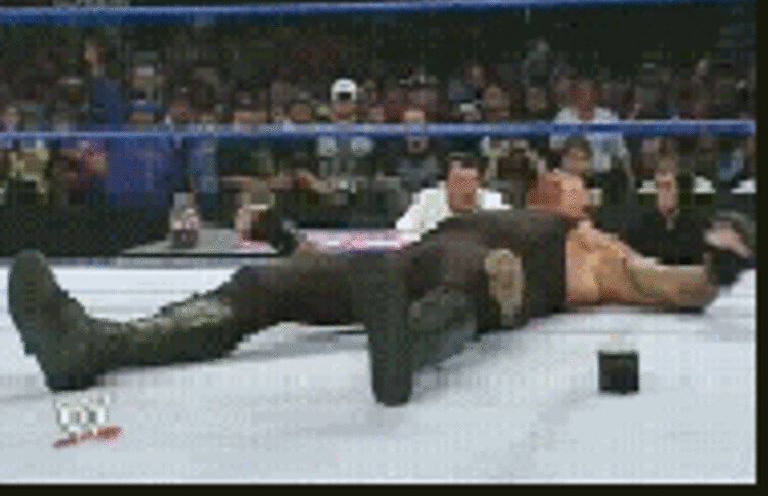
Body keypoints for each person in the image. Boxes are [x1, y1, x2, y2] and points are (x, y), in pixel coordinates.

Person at [7, 168, 754, 392]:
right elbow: (361, 254)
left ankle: (406, 349)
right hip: (408, 266)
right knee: (268, 285)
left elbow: (668, 287)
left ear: (582, 201)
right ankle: (97, 344)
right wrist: (288, 241)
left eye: (570, 179)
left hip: (493, 283)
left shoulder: (590, 243)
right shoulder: (471, 215)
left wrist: (720, 266)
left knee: (470, 272)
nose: (561, 181)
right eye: (554, 177)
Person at [395, 152, 510, 235]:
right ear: (445, 184)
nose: (464, 189)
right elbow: (402, 231)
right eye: (458, 181)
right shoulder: (428, 198)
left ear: (480, 183)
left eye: (470, 182)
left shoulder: (493, 202)